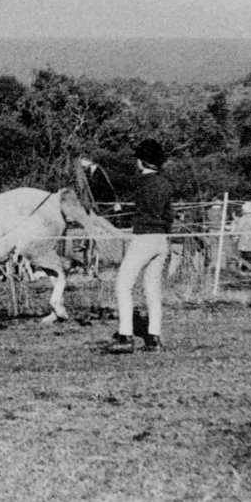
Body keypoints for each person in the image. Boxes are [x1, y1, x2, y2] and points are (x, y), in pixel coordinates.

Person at [80, 138, 173, 354]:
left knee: (123, 285)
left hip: (144, 239)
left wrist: (93, 167)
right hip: (162, 240)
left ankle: (125, 336)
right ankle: (154, 338)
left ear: (141, 161)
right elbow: (169, 215)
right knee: (152, 290)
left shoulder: (141, 181)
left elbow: (115, 180)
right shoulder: (166, 183)